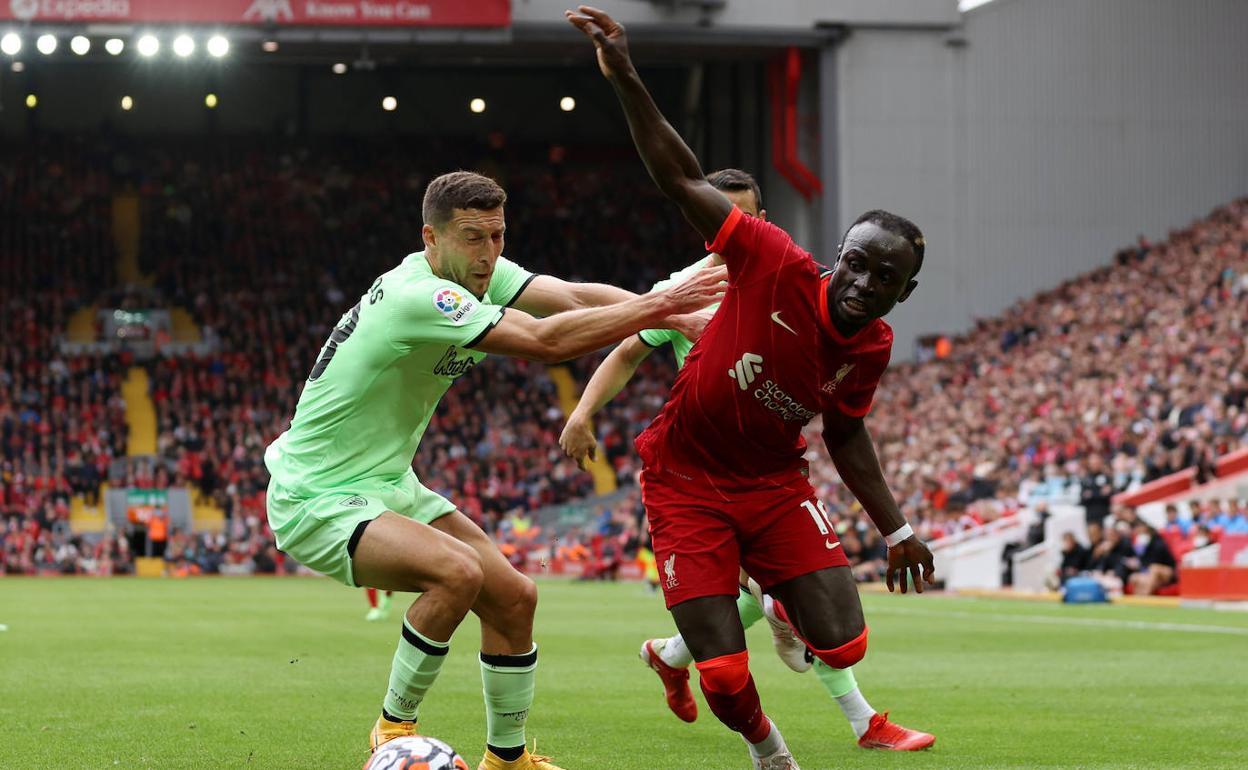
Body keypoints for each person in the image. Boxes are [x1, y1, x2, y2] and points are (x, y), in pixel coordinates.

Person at [566, 8, 936, 768]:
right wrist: (627, 76)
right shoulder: (768, 260)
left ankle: (760, 617)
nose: (866, 284)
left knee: (848, 637)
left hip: (771, 482)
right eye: (859, 263)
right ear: (838, 254)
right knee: (728, 676)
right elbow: (679, 177)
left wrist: (896, 530)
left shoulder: (874, 343)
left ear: (907, 290)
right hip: (686, 478)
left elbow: (845, 432)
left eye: (887, 278)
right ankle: (771, 754)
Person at [264, 169, 726, 770]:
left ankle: (506, 761)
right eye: (472, 239)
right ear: (430, 238)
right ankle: (391, 728)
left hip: (385, 483)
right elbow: (545, 340)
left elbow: (575, 298)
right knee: (456, 572)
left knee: (514, 598)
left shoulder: (476, 275)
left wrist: (670, 315)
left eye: (498, 236)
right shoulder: (420, 296)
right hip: (317, 494)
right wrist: (662, 305)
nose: (489, 255)